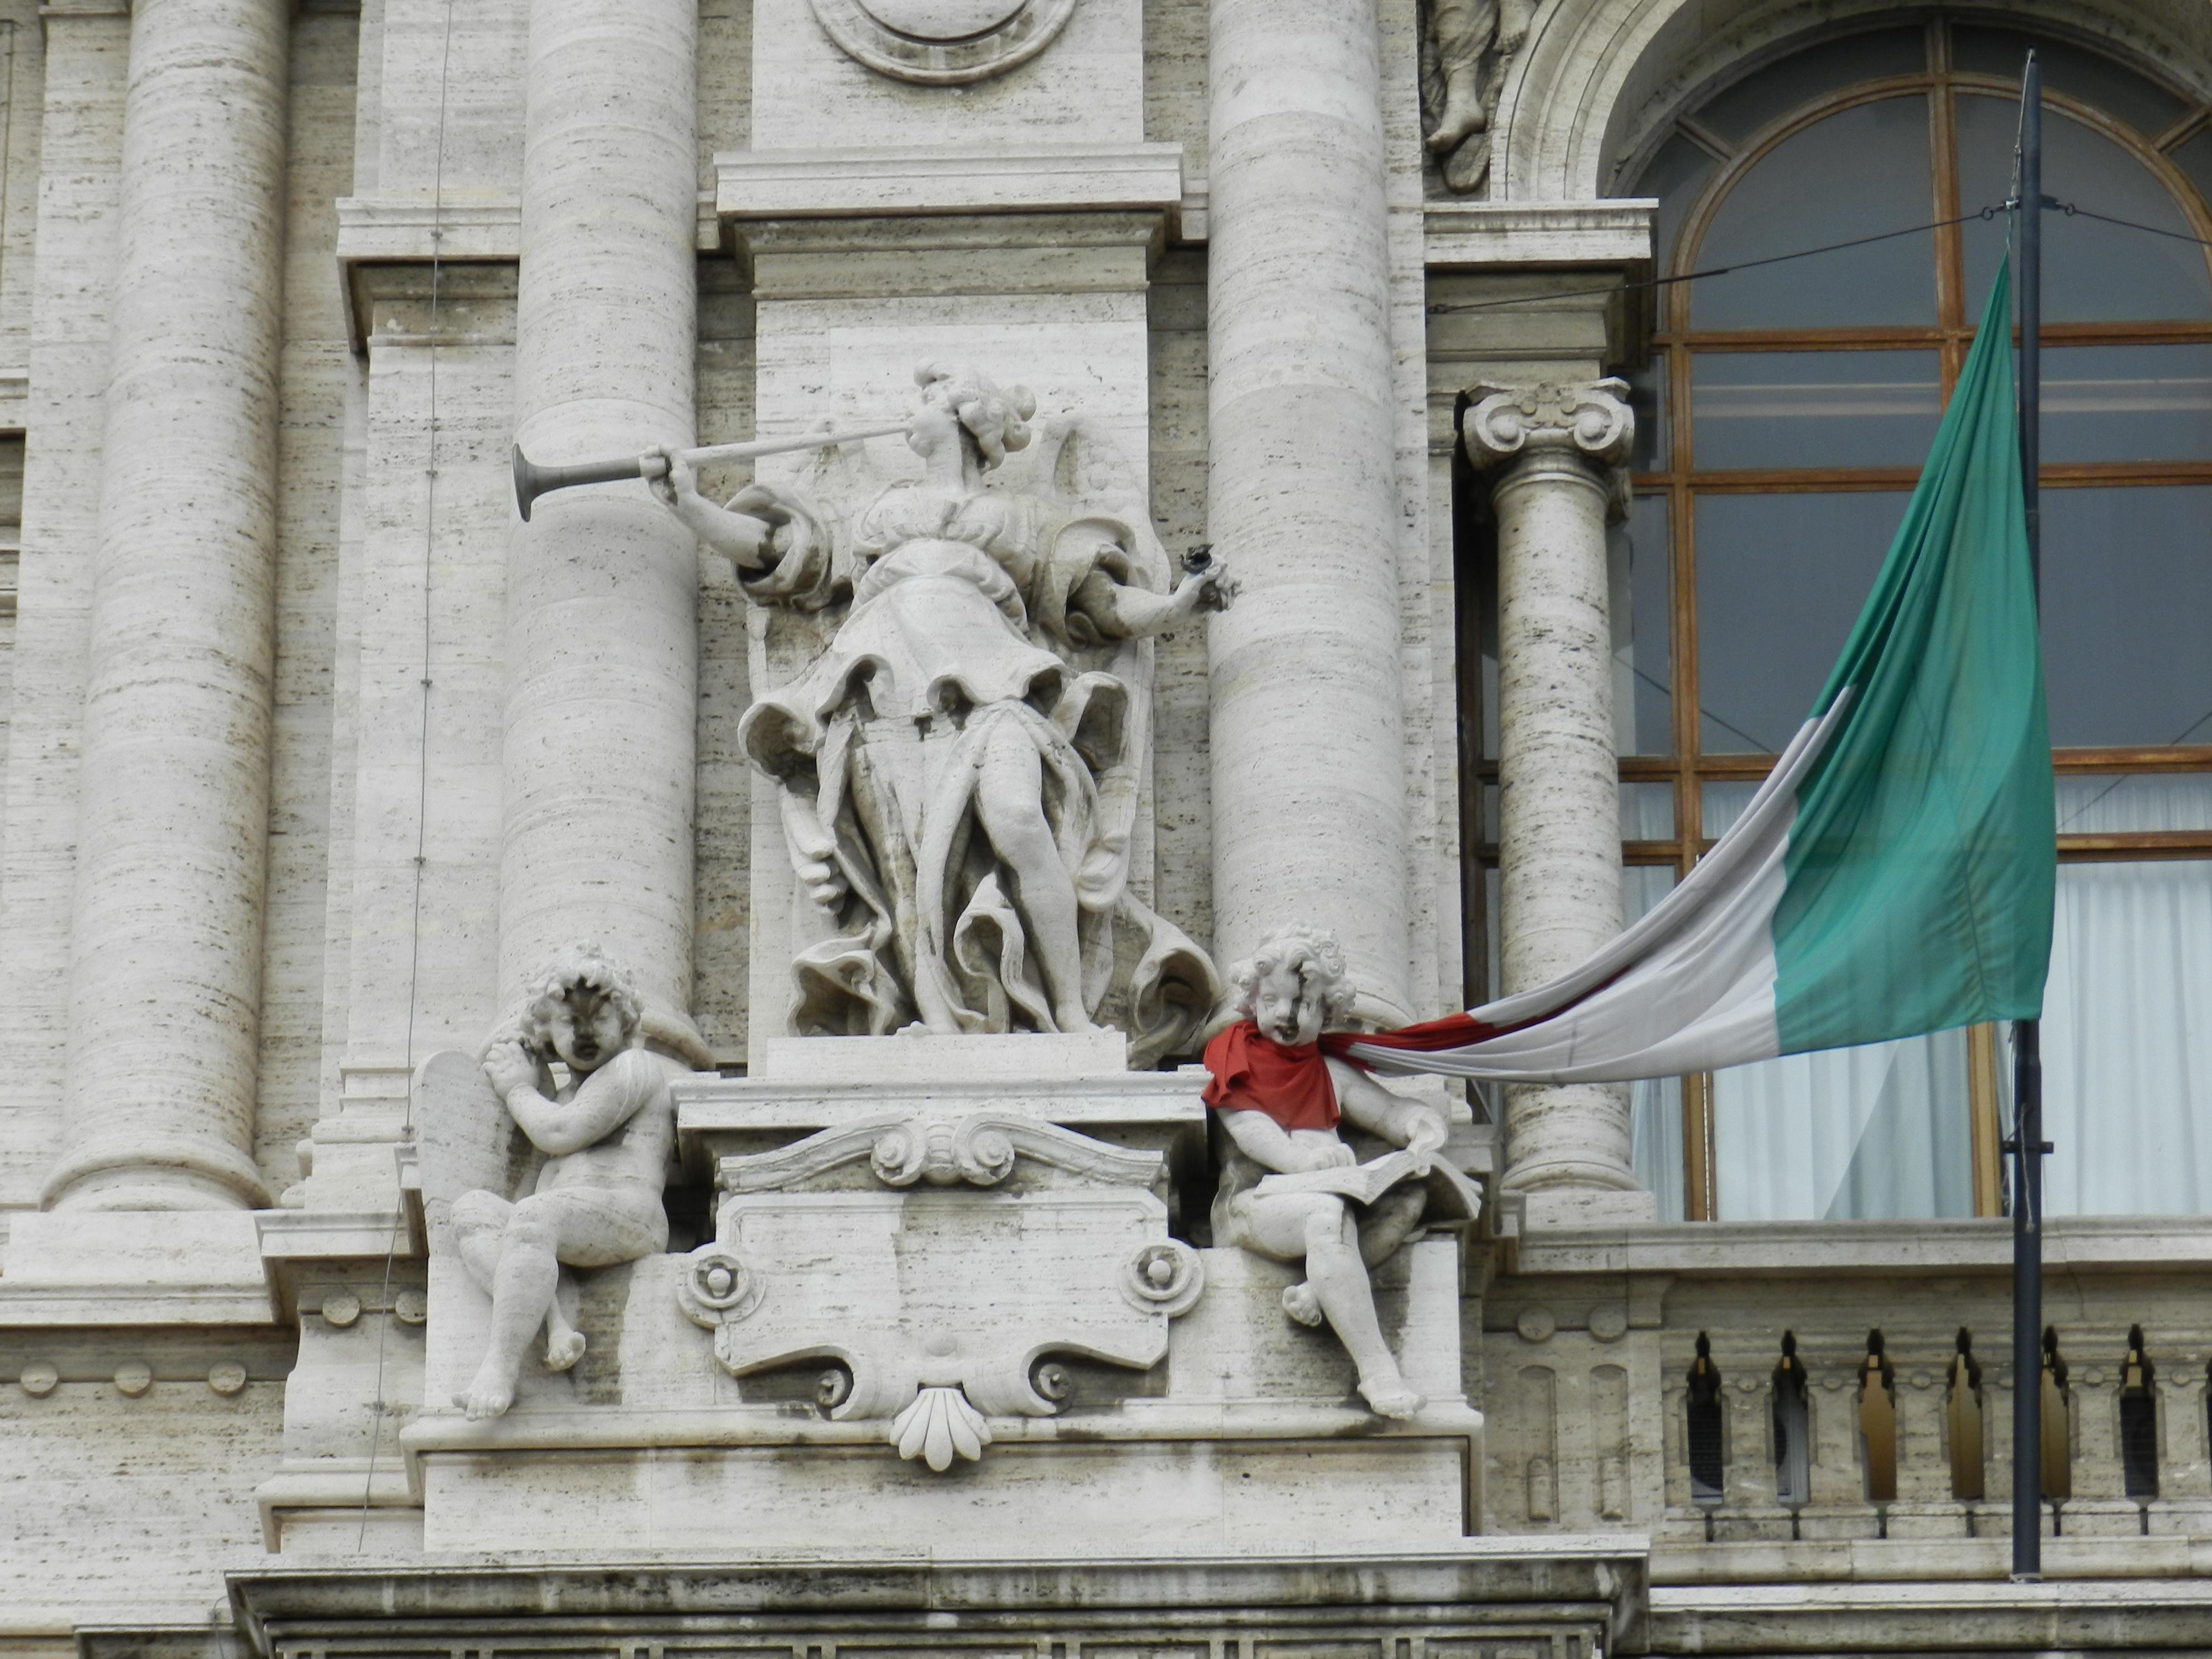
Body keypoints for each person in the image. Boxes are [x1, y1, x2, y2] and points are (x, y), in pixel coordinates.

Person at [648, 362, 1229, 1058]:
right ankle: (933, 1018)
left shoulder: (1025, 520)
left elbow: (1099, 607)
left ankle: (1070, 1008)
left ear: (961, 418)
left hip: (999, 681)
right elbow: (778, 555)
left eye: (924, 403)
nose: (909, 415)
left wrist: (1176, 606)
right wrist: (689, 506)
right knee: (906, 857)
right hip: (877, 685)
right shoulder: (873, 513)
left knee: (1017, 816)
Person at [1203, 925, 1451, 1418]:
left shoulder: (1330, 1072)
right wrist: (1306, 1163)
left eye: (1304, 1004)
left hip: (1334, 1198)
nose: (1286, 1015)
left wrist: (1422, 1128)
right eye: (1272, 999)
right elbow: (1252, 1131)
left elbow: (1388, 1114)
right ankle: (1378, 1372)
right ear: (1254, 1000)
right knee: (1325, 1212)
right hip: (1255, 1205)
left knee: (1410, 1199)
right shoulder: (1234, 1056)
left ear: (1328, 1009)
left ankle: (1322, 1288)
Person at [450, 946, 675, 1420]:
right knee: (473, 1210)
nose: (586, 1032)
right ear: (547, 1030)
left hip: (630, 1214)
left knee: (534, 1214)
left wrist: (517, 1087)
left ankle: (499, 1366)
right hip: (566, 1220)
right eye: (570, 1022)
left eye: (601, 1018)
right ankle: (554, 1322)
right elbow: (532, 1183)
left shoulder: (634, 1070)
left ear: (627, 1022)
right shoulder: (562, 1095)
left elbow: (560, 1133)